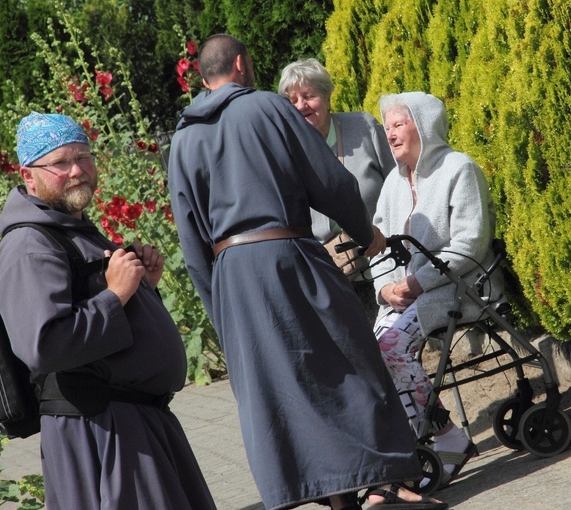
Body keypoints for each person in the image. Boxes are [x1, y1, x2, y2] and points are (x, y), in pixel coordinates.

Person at [168, 35, 446, 510]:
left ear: (202, 77)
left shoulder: (182, 141)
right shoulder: (268, 109)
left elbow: (192, 245)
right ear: (241, 63)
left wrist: (222, 314)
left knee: (283, 392)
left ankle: (339, 499)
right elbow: (331, 181)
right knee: (349, 364)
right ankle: (378, 482)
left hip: (233, 278)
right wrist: (366, 233)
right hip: (289, 257)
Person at [0, 112, 217, 509]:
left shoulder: (70, 227)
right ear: (29, 176)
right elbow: (46, 344)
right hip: (100, 432)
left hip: (131, 424)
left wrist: (142, 286)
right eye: (60, 163)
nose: (77, 170)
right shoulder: (29, 246)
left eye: (83, 157)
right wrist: (116, 295)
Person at [372, 92, 505, 487]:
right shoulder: (392, 184)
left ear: (423, 124)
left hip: (455, 289)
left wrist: (416, 282)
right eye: (387, 126)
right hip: (406, 298)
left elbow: (469, 243)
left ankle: (443, 436)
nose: (390, 133)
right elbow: (377, 246)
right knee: (366, 355)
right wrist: (385, 291)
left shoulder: (458, 169)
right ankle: (424, 443)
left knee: (390, 347)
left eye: (398, 124)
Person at [278, 58, 395, 321]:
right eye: (293, 100)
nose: (301, 106)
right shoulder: (287, 153)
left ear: (328, 97)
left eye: (309, 96)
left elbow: (397, 181)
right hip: (332, 274)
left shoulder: (363, 127)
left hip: (384, 262)